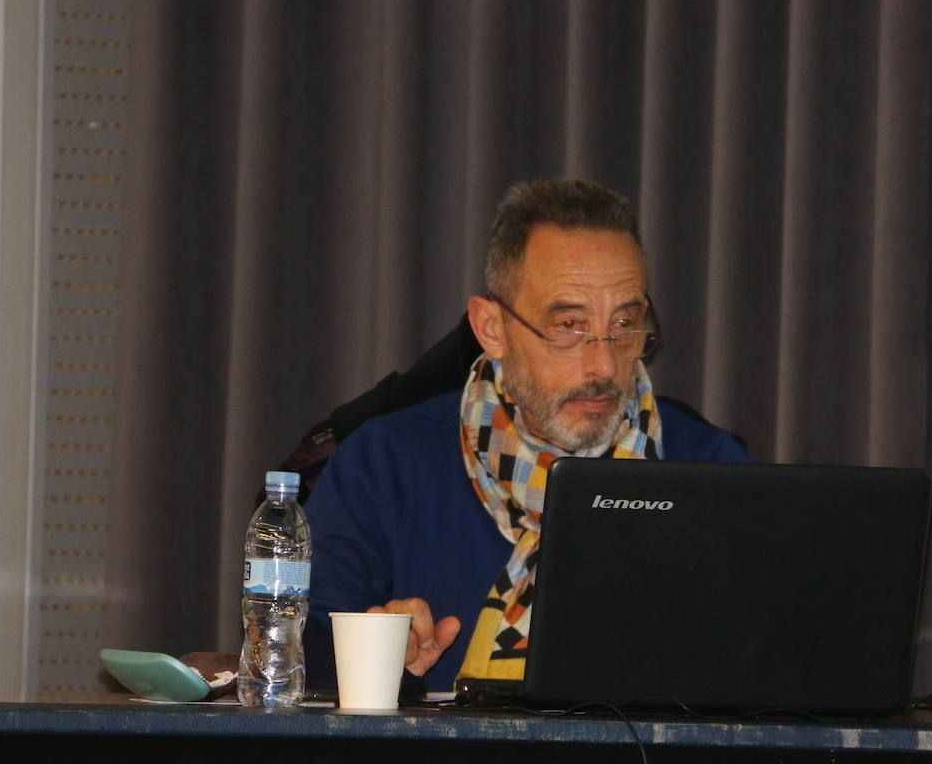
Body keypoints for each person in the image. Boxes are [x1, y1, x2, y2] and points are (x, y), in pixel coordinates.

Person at [304, 178, 749, 694]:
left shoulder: (711, 466)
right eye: (568, 325)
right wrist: (378, 653)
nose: (604, 363)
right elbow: (294, 656)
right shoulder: (385, 465)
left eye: (625, 322)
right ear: (491, 327)